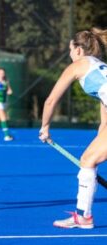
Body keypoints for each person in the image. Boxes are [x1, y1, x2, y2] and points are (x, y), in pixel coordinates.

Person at [39, 27, 107, 229]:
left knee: (87, 159)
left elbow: (51, 101)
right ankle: (83, 216)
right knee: (90, 158)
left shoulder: (79, 65)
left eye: (70, 48)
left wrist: (45, 127)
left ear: (78, 49)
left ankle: (83, 217)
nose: (69, 53)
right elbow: (105, 115)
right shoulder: (101, 68)